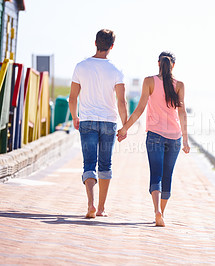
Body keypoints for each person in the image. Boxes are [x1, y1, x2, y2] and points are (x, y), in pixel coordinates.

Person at [117, 51, 190, 227]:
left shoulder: (149, 81)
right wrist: (186, 140)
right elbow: (182, 113)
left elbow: (140, 108)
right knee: (167, 177)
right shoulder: (179, 85)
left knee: (155, 174)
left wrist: (124, 128)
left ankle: (157, 210)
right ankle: (162, 214)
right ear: (173, 65)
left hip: (155, 135)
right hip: (175, 138)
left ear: (158, 63)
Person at [69, 29, 128, 218]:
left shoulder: (81, 66)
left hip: (86, 120)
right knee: (105, 164)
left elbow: (72, 98)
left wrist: (74, 117)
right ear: (111, 46)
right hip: (109, 122)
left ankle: (90, 205)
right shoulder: (117, 70)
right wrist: (124, 126)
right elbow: (121, 101)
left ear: (95, 43)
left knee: (89, 164)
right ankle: (102, 208)